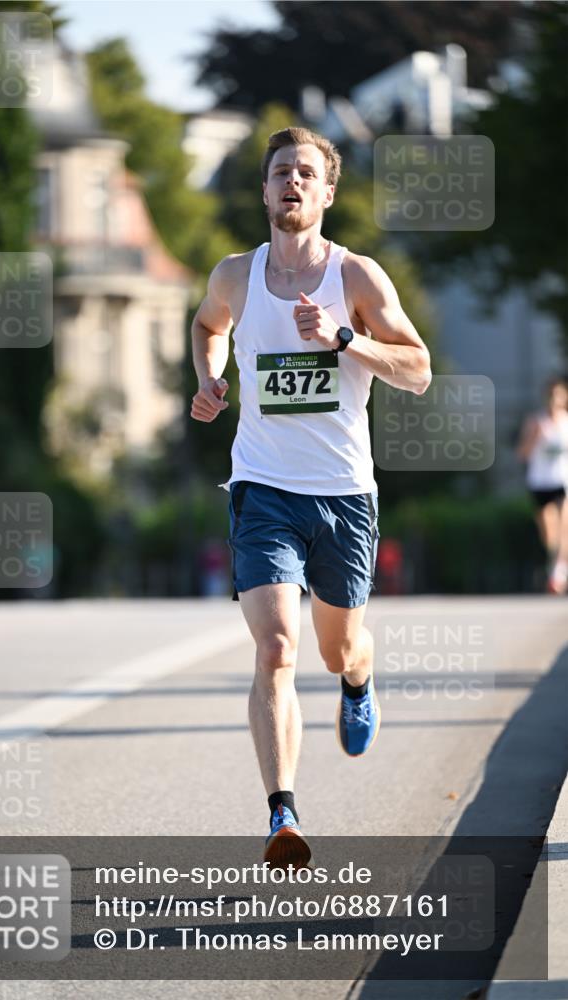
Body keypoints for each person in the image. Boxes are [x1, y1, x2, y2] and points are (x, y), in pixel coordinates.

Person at [190, 127, 432, 869]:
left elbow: (416, 369)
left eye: (305, 173)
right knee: (276, 647)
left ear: (325, 192)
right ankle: (282, 814)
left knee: (336, 649)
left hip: (342, 497)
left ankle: (358, 679)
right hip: (263, 488)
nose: (291, 183)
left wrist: (341, 341)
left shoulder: (355, 277)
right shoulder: (235, 274)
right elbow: (208, 326)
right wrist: (208, 376)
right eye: (278, 173)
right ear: (263, 192)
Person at [517, 377, 568, 594]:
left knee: (564, 527)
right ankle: (555, 565)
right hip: (540, 483)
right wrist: (534, 438)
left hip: (562, 482)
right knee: (549, 533)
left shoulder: (566, 422)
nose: (554, 399)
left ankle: (558, 574)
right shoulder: (536, 422)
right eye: (551, 395)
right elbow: (522, 454)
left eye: (558, 395)